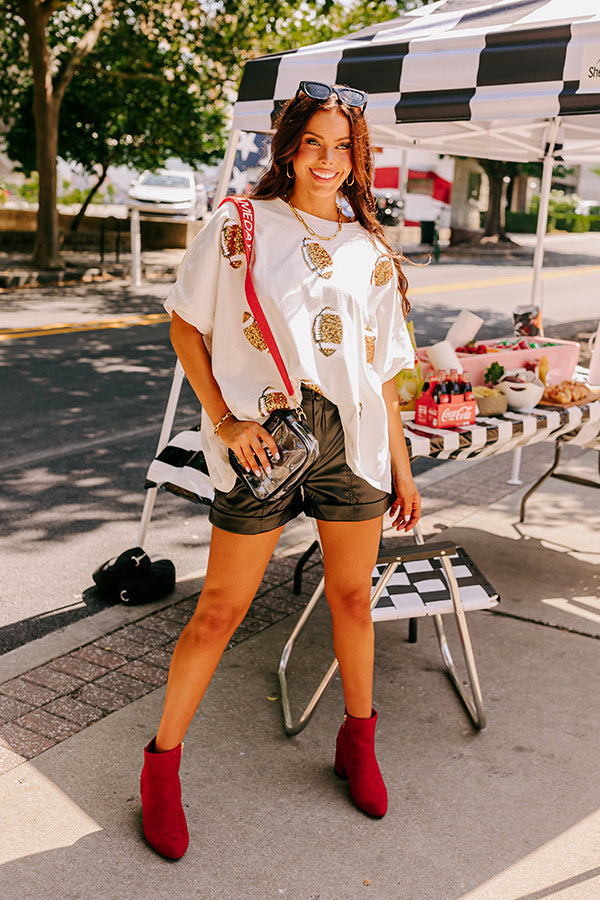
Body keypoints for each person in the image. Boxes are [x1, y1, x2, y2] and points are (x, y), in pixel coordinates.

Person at [140, 80, 421, 860]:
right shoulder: (241, 224)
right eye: (314, 143)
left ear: (357, 159)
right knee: (221, 611)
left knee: (355, 601)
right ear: (290, 146)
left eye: (343, 148)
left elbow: (386, 373)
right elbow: (184, 324)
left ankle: (357, 744)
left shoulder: (372, 249)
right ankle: (161, 768)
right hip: (266, 438)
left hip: (354, 445)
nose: (327, 160)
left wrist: (402, 468)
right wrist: (225, 421)